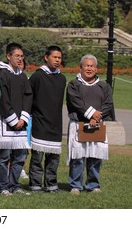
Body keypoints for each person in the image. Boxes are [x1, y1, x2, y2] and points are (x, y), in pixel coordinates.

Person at [66, 54, 112, 194]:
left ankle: (93, 185)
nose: (89, 68)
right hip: (78, 124)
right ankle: (76, 185)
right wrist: (91, 114)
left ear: (96, 69)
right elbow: (76, 102)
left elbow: (108, 104)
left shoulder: (104, 86)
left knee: (95, 156)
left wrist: (96, 118)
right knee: (78, 157)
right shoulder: (74, 85)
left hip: (97, 125)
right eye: (86, 65)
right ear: (81, 67)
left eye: (92, 66)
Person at [0, 42, 33, 195]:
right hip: (6, 121)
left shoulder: (22, 76)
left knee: (20, 156)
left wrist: (23, 118)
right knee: (4, 157)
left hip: (21, 122)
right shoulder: (3, 74)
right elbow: (3, 98)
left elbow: (28, 96)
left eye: (21, 56)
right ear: (8, 56)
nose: (19, 59)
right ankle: (2, 186)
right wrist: (13, 119)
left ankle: (14, 185)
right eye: (16, 56)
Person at [28, 46, 66, 193]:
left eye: (59, 58)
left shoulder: (62, 78)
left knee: (54, 158)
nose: (57, 60)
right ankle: (35, 184)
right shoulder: (37, 76)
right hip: (40, 121)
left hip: (55, 123)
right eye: (54, 57)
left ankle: (51, 184)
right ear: (46, 57)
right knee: (37, 156)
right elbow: (29, 96)